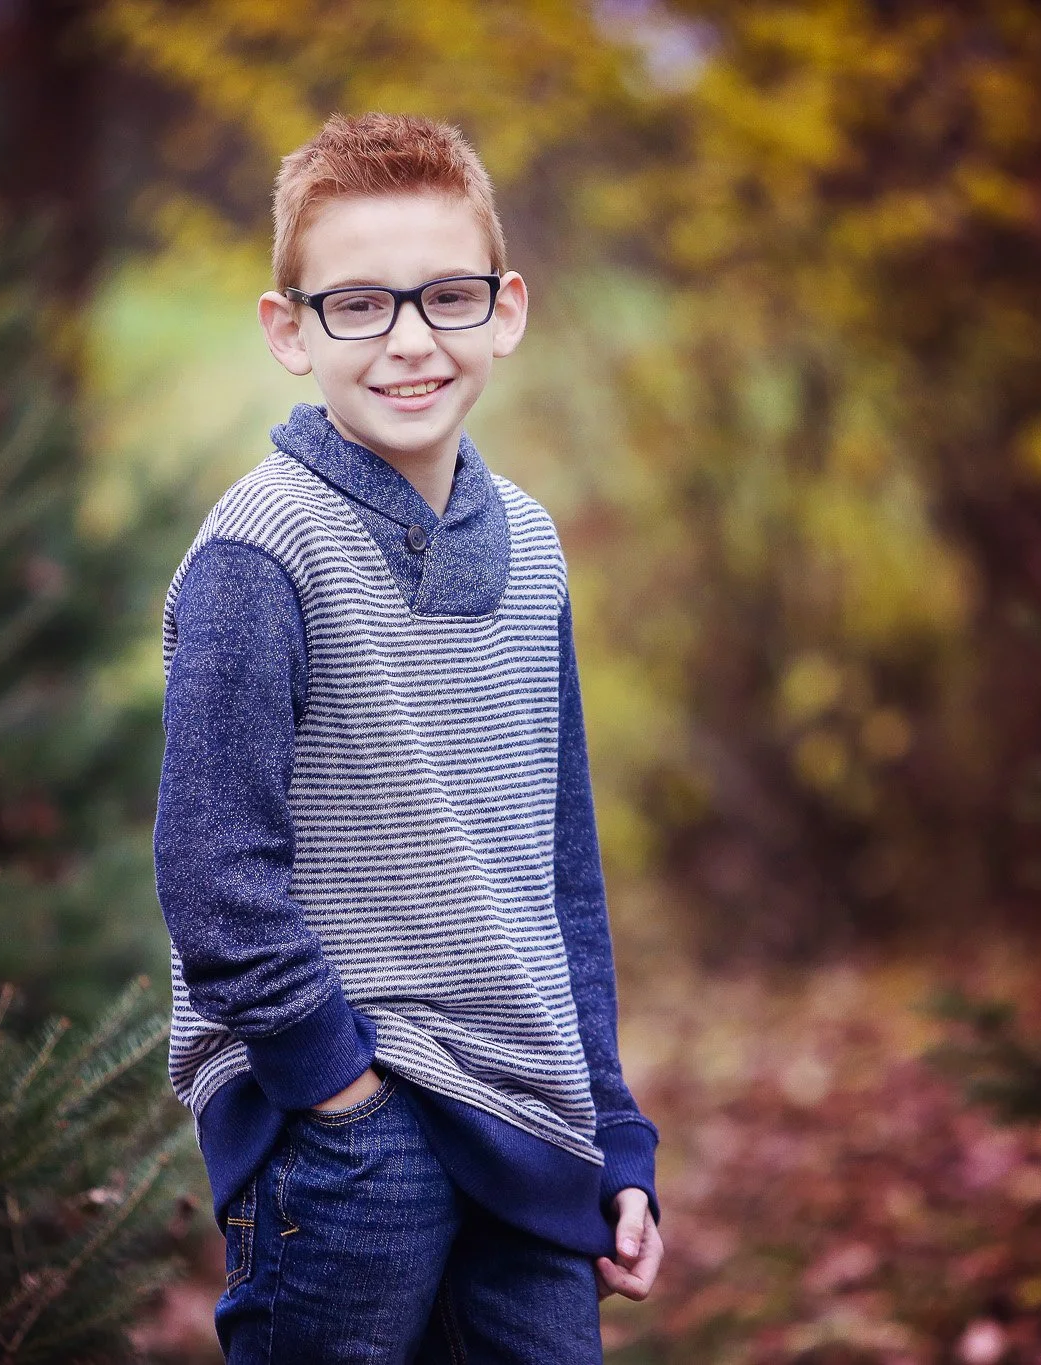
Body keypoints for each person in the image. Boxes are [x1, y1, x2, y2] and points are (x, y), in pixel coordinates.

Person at [154, 110, 662, 1363]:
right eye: (358, 307)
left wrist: (613, 1132)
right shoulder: (257, 556)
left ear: (507, 309)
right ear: (289, 331)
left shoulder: (533, 546)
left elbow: (559, 871)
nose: (409, 341)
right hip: (345, 1129)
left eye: (444, 296)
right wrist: (337, 1091)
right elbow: (213, 877)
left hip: (527, 1125)